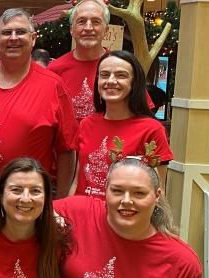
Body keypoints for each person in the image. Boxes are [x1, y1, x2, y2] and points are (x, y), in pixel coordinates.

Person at [51, 158, 203, 278]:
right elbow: (28, 209)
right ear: (105, 191)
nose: (126, 200)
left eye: (139, 193)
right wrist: (45, 217)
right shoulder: (77, 212)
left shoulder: (181, 261)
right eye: (117, 191)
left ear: (157, 196)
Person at [0, 8, 77, 197]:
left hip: (27, 199)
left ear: (34, 38)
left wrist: (61, 201)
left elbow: (67, 150)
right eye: (6, 32)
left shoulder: (53, 86)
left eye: (20, 32)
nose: (13, 38)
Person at [72, 51, 173, 198]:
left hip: (125, 216)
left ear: (134, 83)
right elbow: (77, 182)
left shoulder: (152, 130)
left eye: (121, 75)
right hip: (83, 214)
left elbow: (158, 192)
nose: (111, 81)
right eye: (105, 75)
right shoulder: (86, 124)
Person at [47, 0, 109, 121]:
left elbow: (138, 118)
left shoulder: (122, 68)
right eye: (81, 21)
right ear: (71, 30)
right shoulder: (54, 70)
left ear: (106, 30)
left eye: (96, 22)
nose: (88, 28)